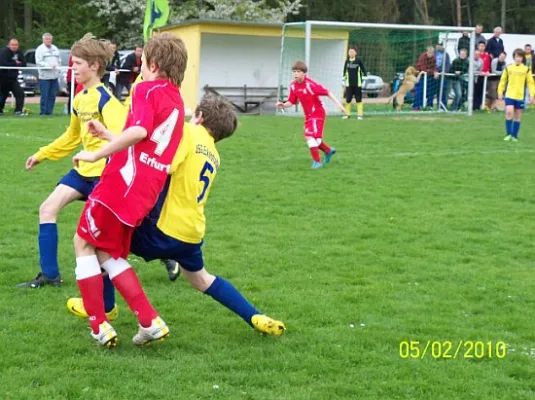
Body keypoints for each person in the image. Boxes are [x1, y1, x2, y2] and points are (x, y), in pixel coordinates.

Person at [67, 95, 287, 337]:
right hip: (191, 232)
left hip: (162, 226)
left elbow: (159, 161)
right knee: (202, 279)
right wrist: (110, 136)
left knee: (99, 243)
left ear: (199, 117)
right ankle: (255, 316)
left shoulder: (187, 133)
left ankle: (106, 310)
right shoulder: (213, 153)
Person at [71, 32, 187, 348]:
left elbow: (138, 131)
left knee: (82, 243)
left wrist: (96, 153)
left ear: (153, 63)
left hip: (122, 182)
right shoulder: (176, 98)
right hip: (145, 190)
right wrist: (109, 134)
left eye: (142, 62)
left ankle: (99, 325)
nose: (140, 68)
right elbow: (148, 142)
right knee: (108, 251)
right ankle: (148, 321)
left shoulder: (145, 89)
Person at [18, 34, 127, 293]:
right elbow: (72, 136)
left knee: (104, 238)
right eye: (72, 62)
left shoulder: (107, 101)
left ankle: (168, 252)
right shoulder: (79, 98)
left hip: (105, 174)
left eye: (78, 63)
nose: (73, 68)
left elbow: (124, 139)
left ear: (94, 66)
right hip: (83, 170)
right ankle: (50, 275)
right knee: (47, 209)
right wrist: (42, 153)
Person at [276, 61, 345, 169]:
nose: (295, 74)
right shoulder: (293, 85)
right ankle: (327, 150)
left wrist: (339, 104)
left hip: (318, 113)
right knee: (314, 139)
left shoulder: (310, 85)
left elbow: (327, 92)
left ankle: (317, 162)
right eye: (294, 71)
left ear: (304, 73)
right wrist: (283, 105)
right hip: (308, 115)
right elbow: (292, 101)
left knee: (310, 136)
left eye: (298, 71)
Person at [498, 48, 535, 141]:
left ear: (522, 58)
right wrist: (500, 92)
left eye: (520, 57)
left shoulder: (526, 69)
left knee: (517, 115)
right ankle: (508, 134)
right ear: (514, 57)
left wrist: (532, 94)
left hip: (520, 96)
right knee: (509, 112)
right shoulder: (508, 68)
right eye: (516, 57)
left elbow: (530, 83)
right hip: (510, 94)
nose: (518, 59)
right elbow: (503, 81)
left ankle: (514, 135)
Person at [35, 33, 61, 115]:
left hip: (54, 76)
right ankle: (43, 112)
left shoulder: (55, 48)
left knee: (52, 96)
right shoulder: (40, 49)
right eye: (46, 39)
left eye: (49, 39)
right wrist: (48, 65)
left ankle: (50, 112)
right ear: (43, 40)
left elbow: (59, 60)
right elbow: (38, 62)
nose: (48, 40)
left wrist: (58, 67)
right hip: (44, 77)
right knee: (44, 95)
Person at [0, 38, 26, 116]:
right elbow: (3, 63)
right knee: (3, 95)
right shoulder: (4, 52)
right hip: (3, 78)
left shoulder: (19, 52)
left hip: (13, 78)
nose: (14, 46)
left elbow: (24, 63)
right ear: (9, 45)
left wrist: (14, 64)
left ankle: (18, 111)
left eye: (16, 45)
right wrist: (16, 63)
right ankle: (0, 110)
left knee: (20, 93)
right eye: (12, 45)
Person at [342, 46, 367, 120]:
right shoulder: (347, 61)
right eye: (349, 52)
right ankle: (347, 115)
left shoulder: (359, 61)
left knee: (358, 99)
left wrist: (365, 77)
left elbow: (363, 69)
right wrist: (343, 78)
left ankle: (360, 115)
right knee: (348, 99)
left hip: (357, 84)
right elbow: (345, 70)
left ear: (355, 53)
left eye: (352, 52)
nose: (351, 53)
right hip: (349, 84)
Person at [435, 42, 451, 110]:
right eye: (438, 45)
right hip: (434, 74)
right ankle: (431, 106)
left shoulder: (446, 54)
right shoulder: (434, 53)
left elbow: (447, 65)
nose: (439, 46)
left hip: (442, 75)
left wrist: (442, 72)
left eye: (440, 45)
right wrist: (434, 71)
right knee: (435, 91)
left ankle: (442, 106)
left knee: (443, 91)